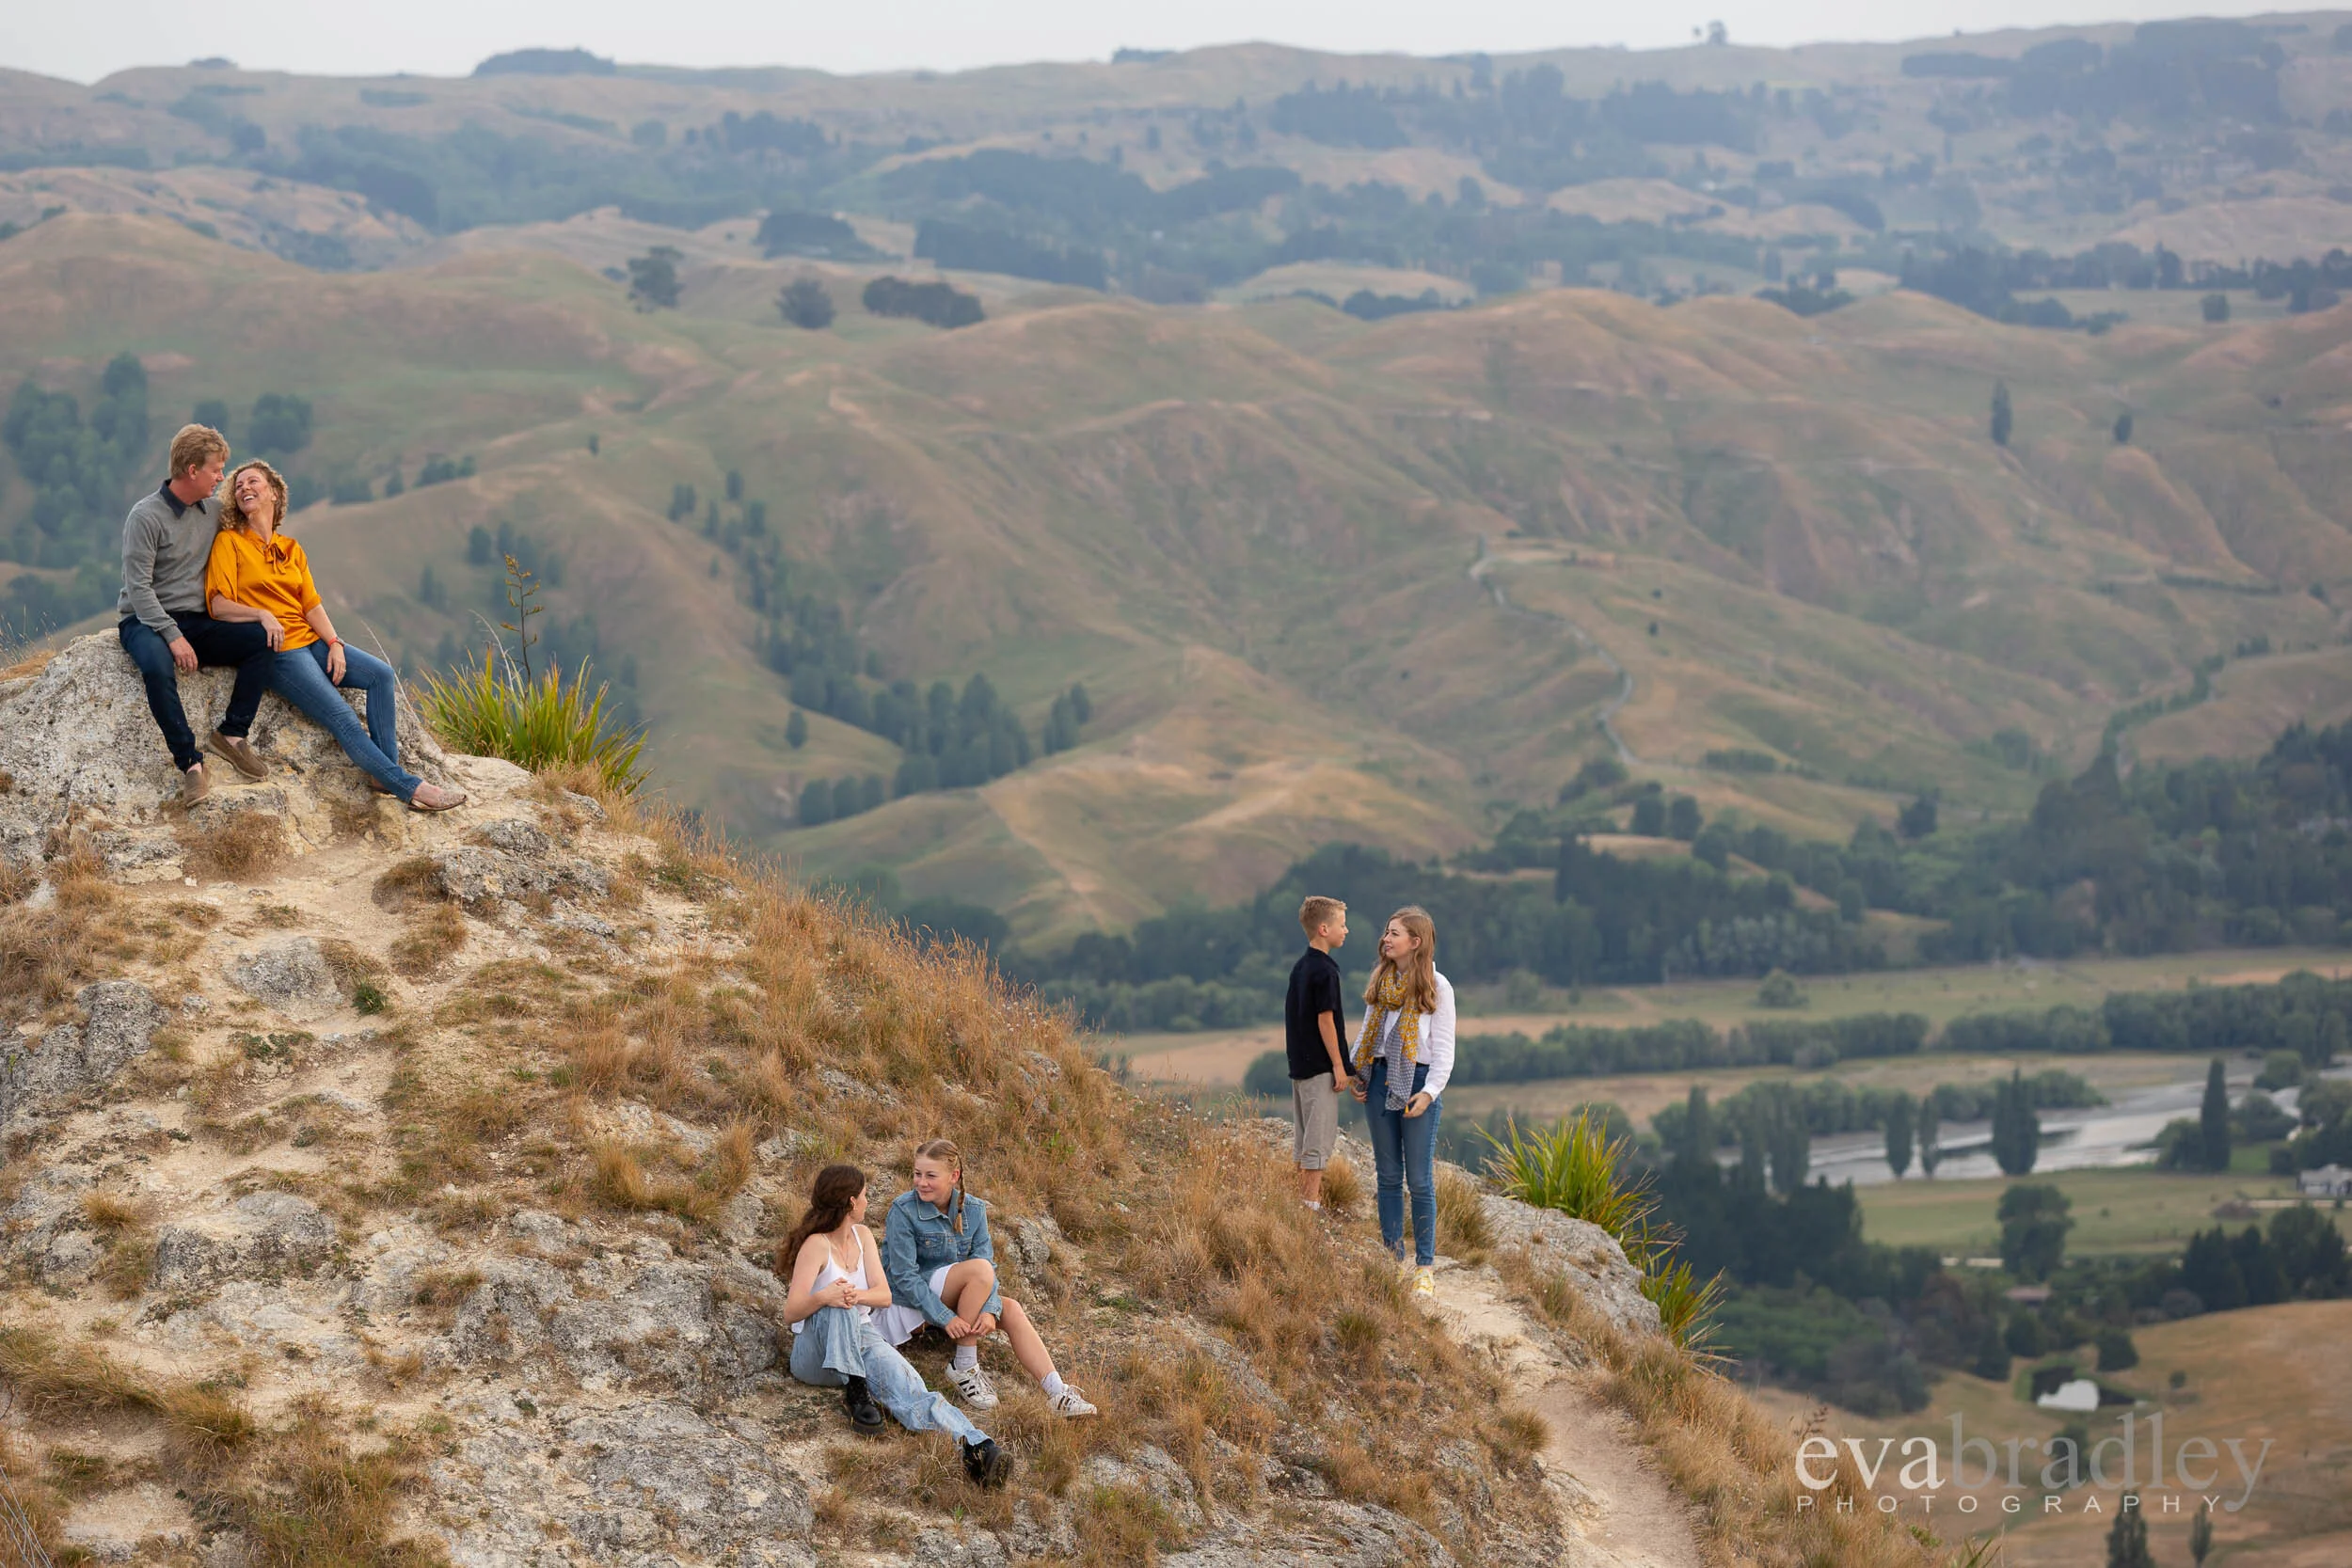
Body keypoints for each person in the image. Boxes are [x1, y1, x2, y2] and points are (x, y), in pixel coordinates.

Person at [201, 459, 464, 812]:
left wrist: (335, 643)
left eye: (253, 482)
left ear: (275, 494)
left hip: (310, 640)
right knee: (342, 717)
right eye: (238, 485)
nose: (244, 488)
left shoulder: (290, 548)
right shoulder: (230, 543)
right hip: (280, 652)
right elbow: (218, 604)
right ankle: (411, 788)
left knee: (380, 675)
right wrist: (261, 614)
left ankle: (381, 773)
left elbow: (311, 605)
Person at [778, 1164, 1013, 1488]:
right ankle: (857, 1391)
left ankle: (976, 1448)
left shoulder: (862, 1237)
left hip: (860, 1338)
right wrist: (825, 1297)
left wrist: (853, 1294)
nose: (866, 1202)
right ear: (850, 1202)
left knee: (912, 1389)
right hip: (814, 1353)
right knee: (841, 1303)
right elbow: (791, 1313)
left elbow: (883, 1295)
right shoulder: (816, 1245)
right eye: (863, 1196)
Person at [877, 1139, 1097, 1418]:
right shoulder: (904, 1210)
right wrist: (946, 1317)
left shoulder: (974, 1209)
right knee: (978, 1269)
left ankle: (1058, 1392)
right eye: (917, 1174)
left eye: (931, 1175)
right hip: (909, 1302)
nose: (921, 1182)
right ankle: (965, 1365)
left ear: (953, 1176)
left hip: (957, 1295)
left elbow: (988, 1265)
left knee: (1012, 1309)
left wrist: (990, 1310)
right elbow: (904, 1276)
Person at [117, 423, 275, 804]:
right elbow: (138, 589)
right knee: (157, 667)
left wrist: (263, 610)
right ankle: (191, 763)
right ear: (192, 470)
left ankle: (232, 735)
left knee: (262, 641)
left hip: (199, 620)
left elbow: (255, 526)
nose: (222, 477)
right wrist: (173, 636)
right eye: (217, 469)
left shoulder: (215, 512)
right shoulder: (145, 516)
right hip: (144, 620)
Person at [1348, 906, 1455, 1298]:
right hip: (1378, 1078)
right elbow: (1367, 1033)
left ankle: (1425, 1267)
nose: (1386, 938)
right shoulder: (1382, 980)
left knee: (1420, 1180)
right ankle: (1391, 1260)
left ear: (1416, 942)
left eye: (1395, 933)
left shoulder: (1437, 987)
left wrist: (1429, 1094)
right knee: (1389, 1177)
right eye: (1386, 931)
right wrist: (1356, 1072)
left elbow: (1444, 1051)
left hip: (1418, 1081)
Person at [1283, 895, 1353, 1211]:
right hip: (1320, 1068)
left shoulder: (1300, 968)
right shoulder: (1326, 971)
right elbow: (1326, 1019)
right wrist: (1340, 1065)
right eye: (1341, 924)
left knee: (1303, 1138)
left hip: (1299, 1067)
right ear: (1324, 928)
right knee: (1319, 1140)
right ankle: (1309, 1205)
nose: (1346, 930)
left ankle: (1301, 1202)